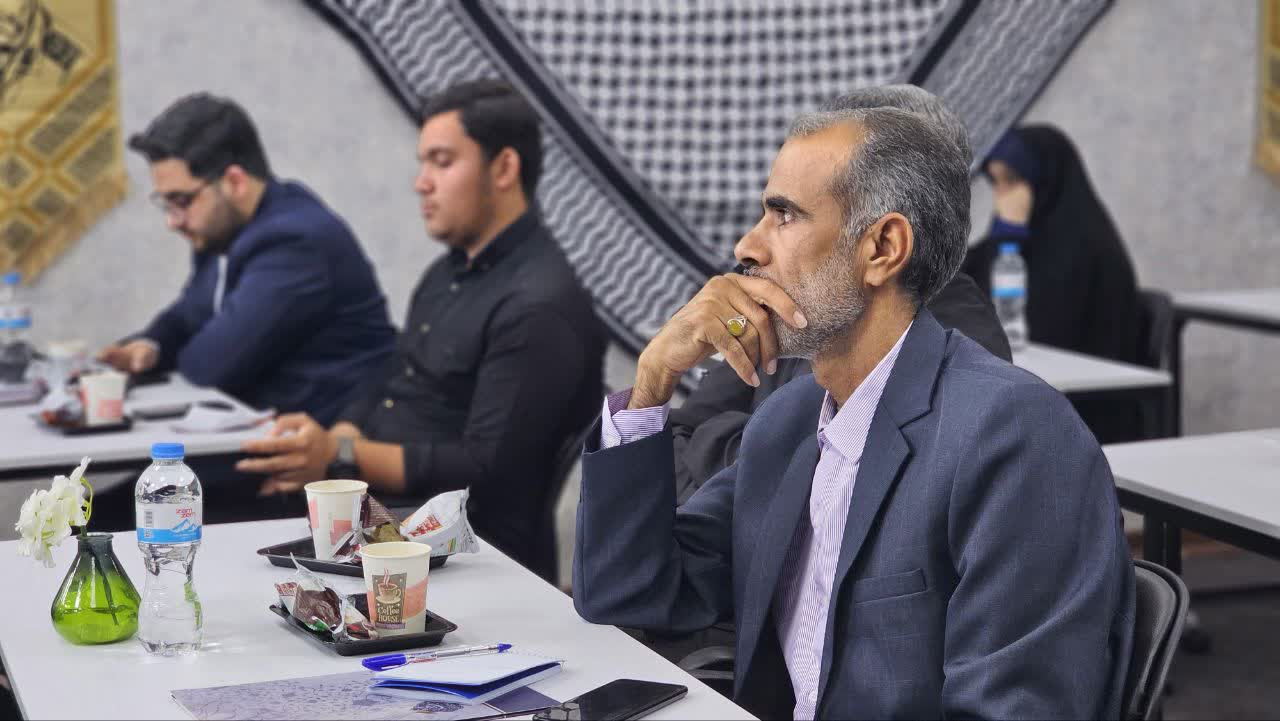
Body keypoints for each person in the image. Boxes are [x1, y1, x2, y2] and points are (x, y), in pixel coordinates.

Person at [573, 86, 1135, 719]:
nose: (747, 248)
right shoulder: (788, 423)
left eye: (784, 215)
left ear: (883, 249)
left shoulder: (1016, 437)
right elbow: (627, 591)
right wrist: (651, 381)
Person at [237, 80, 606, 583]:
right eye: (423, 162)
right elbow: (390, 379)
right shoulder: (447, 273)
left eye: (442, 161)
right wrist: (337, 438)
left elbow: (485, 470)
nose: (421, 183)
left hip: (459, 554)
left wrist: (339, 456)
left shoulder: (539, 303)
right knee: (224, 495)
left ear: (503, 168)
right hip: (380, 520)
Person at [670, 87, 1011, 503]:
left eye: (788, 214)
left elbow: (816, 492)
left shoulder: (969, 366)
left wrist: (735, 447)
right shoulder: (799, 311)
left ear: (886, 241)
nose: (746, 248)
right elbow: (679, 449)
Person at [97, 93, 395, 426]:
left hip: (332, 442)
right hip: (261, 431)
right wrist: (150, 346)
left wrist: (178, 351)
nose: (172, 221)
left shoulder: (295, 242)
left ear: (235, 182)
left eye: (181, 201)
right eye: (166, 203)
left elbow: (210, 366)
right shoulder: (225, 230)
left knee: (146, 460)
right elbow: (190, 313)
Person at [961, 125, 1145, 442]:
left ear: (1045, 181)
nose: (1002, 197)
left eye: (1012, 181)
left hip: (1088, 418)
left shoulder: (1086, 247)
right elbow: (960, 289)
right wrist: (1005, 241)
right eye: (996, 182)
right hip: (1034, 403)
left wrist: (1008, 244)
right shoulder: (1019, 239)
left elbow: (1044, 329)